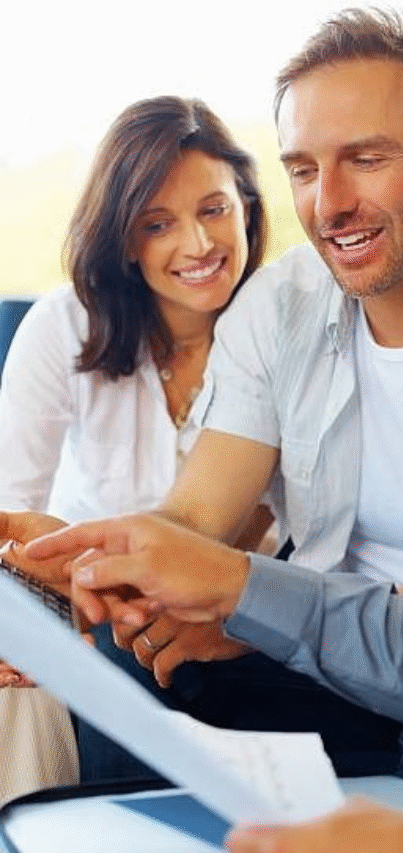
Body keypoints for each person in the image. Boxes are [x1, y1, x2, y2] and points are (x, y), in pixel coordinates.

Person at [26, 0, 403, 849]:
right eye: (304, 170)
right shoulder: (280, 305)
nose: (330, 204)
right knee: (132, 658)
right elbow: (195, 520)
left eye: (365, 159)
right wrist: (93, 555)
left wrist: (254, 609)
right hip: (313, 654)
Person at [0, 94, 270, 805]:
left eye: (214, 209)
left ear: (246, 204)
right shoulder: (64, 326)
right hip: (89, 603)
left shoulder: (285, 329)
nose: (199, 244)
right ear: (125, 239)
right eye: (159, 224)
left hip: (244, 619)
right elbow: (8, 510)